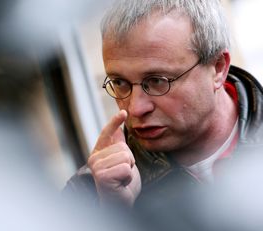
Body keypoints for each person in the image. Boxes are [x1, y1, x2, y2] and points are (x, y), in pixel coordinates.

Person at [63, 0, 263, 209]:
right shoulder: (88, 196)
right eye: (120, 83)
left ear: (218, 68)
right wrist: (117, 216)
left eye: (157, 81)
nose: (134, 109)